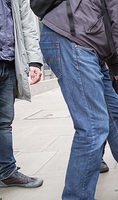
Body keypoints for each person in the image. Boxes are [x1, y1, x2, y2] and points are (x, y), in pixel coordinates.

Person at [39, 0, 118, 199]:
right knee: (92, 127)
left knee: (114, 112)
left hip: (84, 42)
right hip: (72, 40)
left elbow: (106, 22)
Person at [0, 0, 43, 188]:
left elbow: (27, 26)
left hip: (8, 62)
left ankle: (6, 172)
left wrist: (34, 61)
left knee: (4, 122)